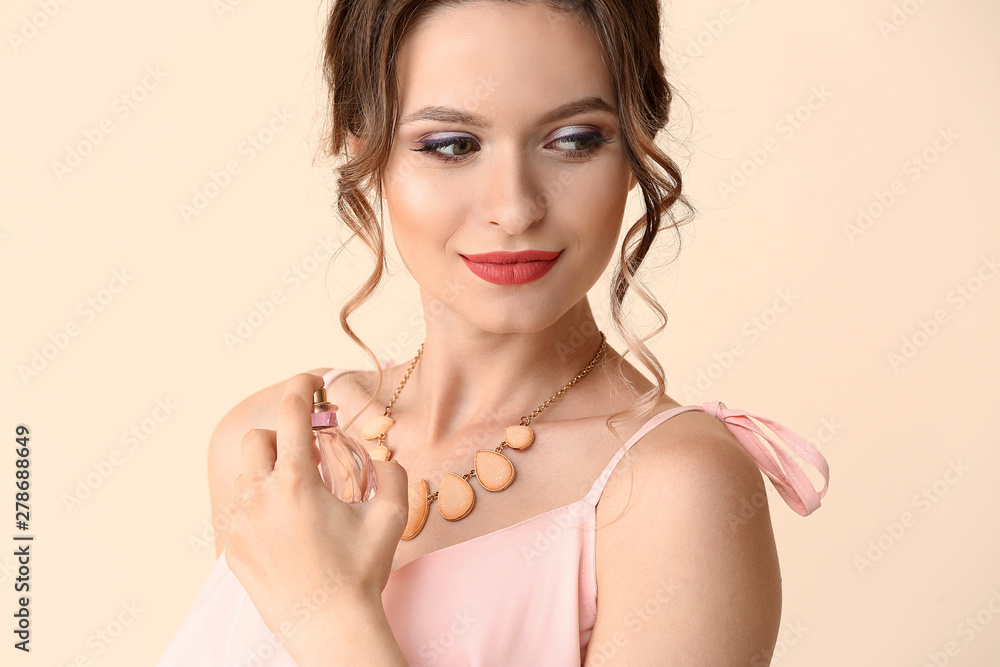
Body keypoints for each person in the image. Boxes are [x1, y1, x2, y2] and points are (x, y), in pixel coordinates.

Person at [158, 0, 830, 664]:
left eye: (573, 140)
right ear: (367, 154)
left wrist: (333, 617)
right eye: (451, 145)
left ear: (634, 150)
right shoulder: (276, 451)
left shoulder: (678, 490)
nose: (513, 208)